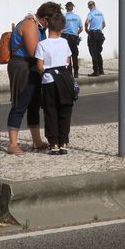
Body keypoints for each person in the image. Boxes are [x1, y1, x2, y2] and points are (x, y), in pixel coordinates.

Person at [6, 3, 57, 154]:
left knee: (34, 104)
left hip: (33, 67)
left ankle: (37, 141)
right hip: (23, 67)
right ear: (46, 19)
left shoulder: (38, 26)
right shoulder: (30, 25)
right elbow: (35, 51)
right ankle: (12, 143)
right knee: (20, 103)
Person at [35, 10, 74, 155]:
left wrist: (44, 71)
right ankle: (64, 142)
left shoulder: (42, 44)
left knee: (50, 110)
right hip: (64, 78)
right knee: (65, 109)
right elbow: (67, 61)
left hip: (49, 79)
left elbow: (39, 66)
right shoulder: (65, 42)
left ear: (48, 26)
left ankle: (54, 144)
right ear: (62, 29)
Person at [85, 1, 106, 76]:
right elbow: (104, 25)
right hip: (100, 34)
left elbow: (87, 22)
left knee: (94, 53)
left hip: (93, 34)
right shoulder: (100, 13)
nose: (89, 7)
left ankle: (96, 71)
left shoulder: (91, 13)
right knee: (98, 53)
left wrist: (86, 29)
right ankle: (101, 70)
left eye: (89, 5)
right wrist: (99, 29)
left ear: (92, 5)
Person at [62, 2, 83, 78]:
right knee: (75, 55)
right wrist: (76, 33)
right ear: (72, 8)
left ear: (66, 8)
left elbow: (60, 28)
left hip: (66, 38)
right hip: (74, 38)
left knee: (68, 55)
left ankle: (70, 73)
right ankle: (76, 73)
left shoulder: (63, 17)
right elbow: (81, 29)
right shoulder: (77, 17)